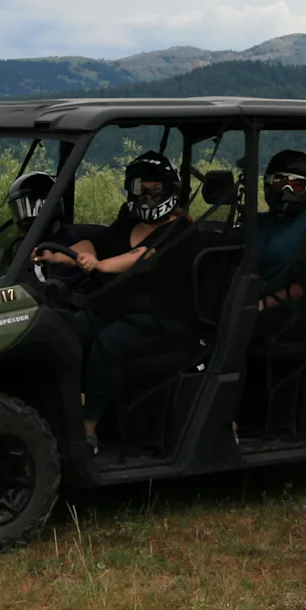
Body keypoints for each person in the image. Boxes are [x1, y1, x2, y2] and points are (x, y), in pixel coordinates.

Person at [35, 152, 198, 450]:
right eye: (140, 188)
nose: (146, 196)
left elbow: (144, 257)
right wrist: (61, 255)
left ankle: (88, 428)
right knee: (70, 334)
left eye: (155, 189)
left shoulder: (180, 230)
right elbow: (94, 243)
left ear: (169, 190)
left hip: (162, 319)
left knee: (108, 344)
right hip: (117, 310)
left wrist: (99, 265)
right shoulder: (127, 223)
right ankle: (53, 412)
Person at [251, 149, 306, 332]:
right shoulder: (259, 222)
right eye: (280, 181)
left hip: (285, 315)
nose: (286, 190)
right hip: (245, 303)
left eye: (296, 185)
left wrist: (262, 305)